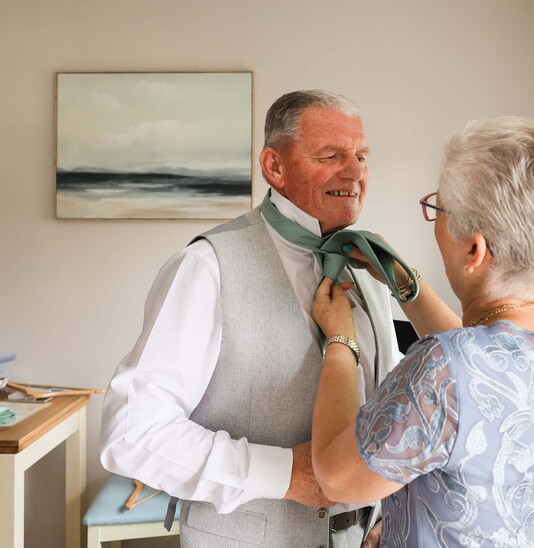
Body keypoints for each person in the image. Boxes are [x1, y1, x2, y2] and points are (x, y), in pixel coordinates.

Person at [100, 90, 403, 547]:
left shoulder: (370, 266)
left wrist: (386, 512)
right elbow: (133, 432)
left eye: (361, 156)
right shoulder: (207, 267)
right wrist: (285, 474)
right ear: (274, 167)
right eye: (331, 155)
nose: (356, 171)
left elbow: (389, 401)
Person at [310, 116, 534, 547]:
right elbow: (486, 374)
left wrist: (341, 342)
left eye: (438, 208)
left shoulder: (443, 367)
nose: (434, 217)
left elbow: (336, 478)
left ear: (474, 250)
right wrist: (405, 284)